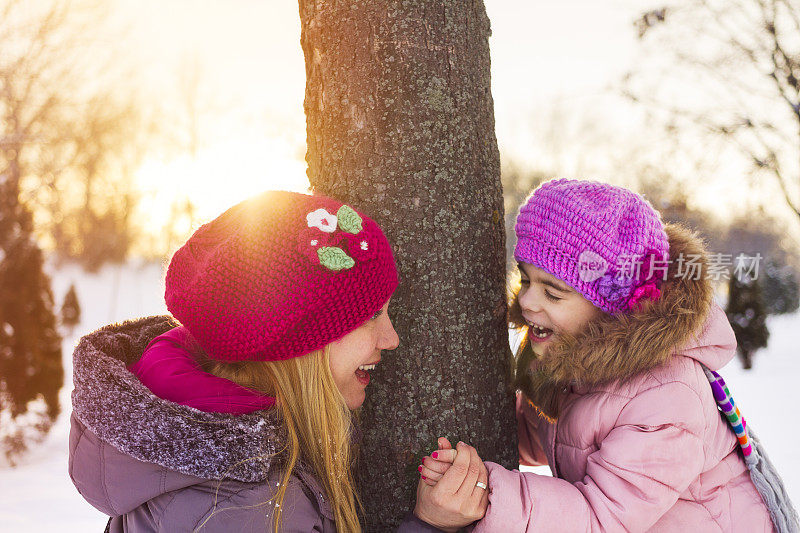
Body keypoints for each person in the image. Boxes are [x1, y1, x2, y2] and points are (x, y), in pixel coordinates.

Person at [417, 179, 797, 532]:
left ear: (610, 307)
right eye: (527, 279)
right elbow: (554, 433)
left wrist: (487, 495)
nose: (527, 301)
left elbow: (602, 519)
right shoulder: (573, 366)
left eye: (553, 292)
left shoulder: (666, 395)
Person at [68, 190, 444, 532]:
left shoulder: (221, 464)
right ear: (299, 346)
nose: (391, 339)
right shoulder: (250, 508)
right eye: (370, 315)